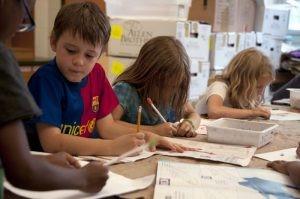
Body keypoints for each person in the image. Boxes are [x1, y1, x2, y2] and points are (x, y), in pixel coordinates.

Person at [26, 2, 188, 156]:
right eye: (71, 50)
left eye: (89, 55)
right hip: (43, 163)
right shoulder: (45, 80)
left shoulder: (96, 73)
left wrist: (147, 136)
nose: (79, 61)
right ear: (54, 42)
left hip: (81, 159)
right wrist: (110, 147)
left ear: (101, 53)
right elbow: (51, 142)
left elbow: (108, 127)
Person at [0, 0, 108, 194]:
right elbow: (22, 171)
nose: (24, 19)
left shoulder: (97, 74)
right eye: (25, 6)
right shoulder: (14, 66)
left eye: (90, 55)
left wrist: (40, 160)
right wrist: (82, 178)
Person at [112, 36, 201, 138]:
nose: (167, 93)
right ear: (146, 75)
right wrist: (154, 131)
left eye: (174, 87)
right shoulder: (125, 91)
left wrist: (189, 124)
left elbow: (194, 114)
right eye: (162, 86)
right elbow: (110, 124)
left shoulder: (175, 94)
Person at [195, 48, 274, 119]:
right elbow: (214, 112)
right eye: (258, 87)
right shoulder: (220, 86)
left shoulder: (244, 93)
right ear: (242, 81)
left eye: (264, 87)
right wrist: (251, 113)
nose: (261, 92)